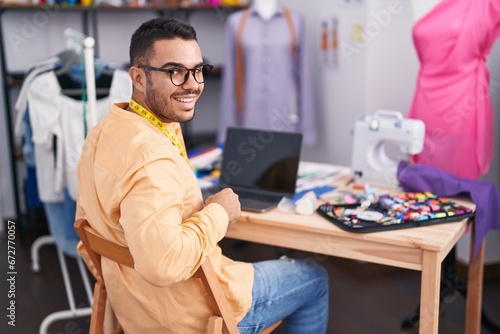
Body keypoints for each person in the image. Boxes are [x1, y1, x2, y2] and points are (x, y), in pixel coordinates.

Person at [75, 17, 329, 333]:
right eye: (175, 72)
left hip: (134, 310)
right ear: (138, 78)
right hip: (192, 315)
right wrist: (218, 212)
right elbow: (162, 264)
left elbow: (86, 234)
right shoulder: (151, 158)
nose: (193, 84)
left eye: (197, 70)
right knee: (314, 277)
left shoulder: (102, 134)